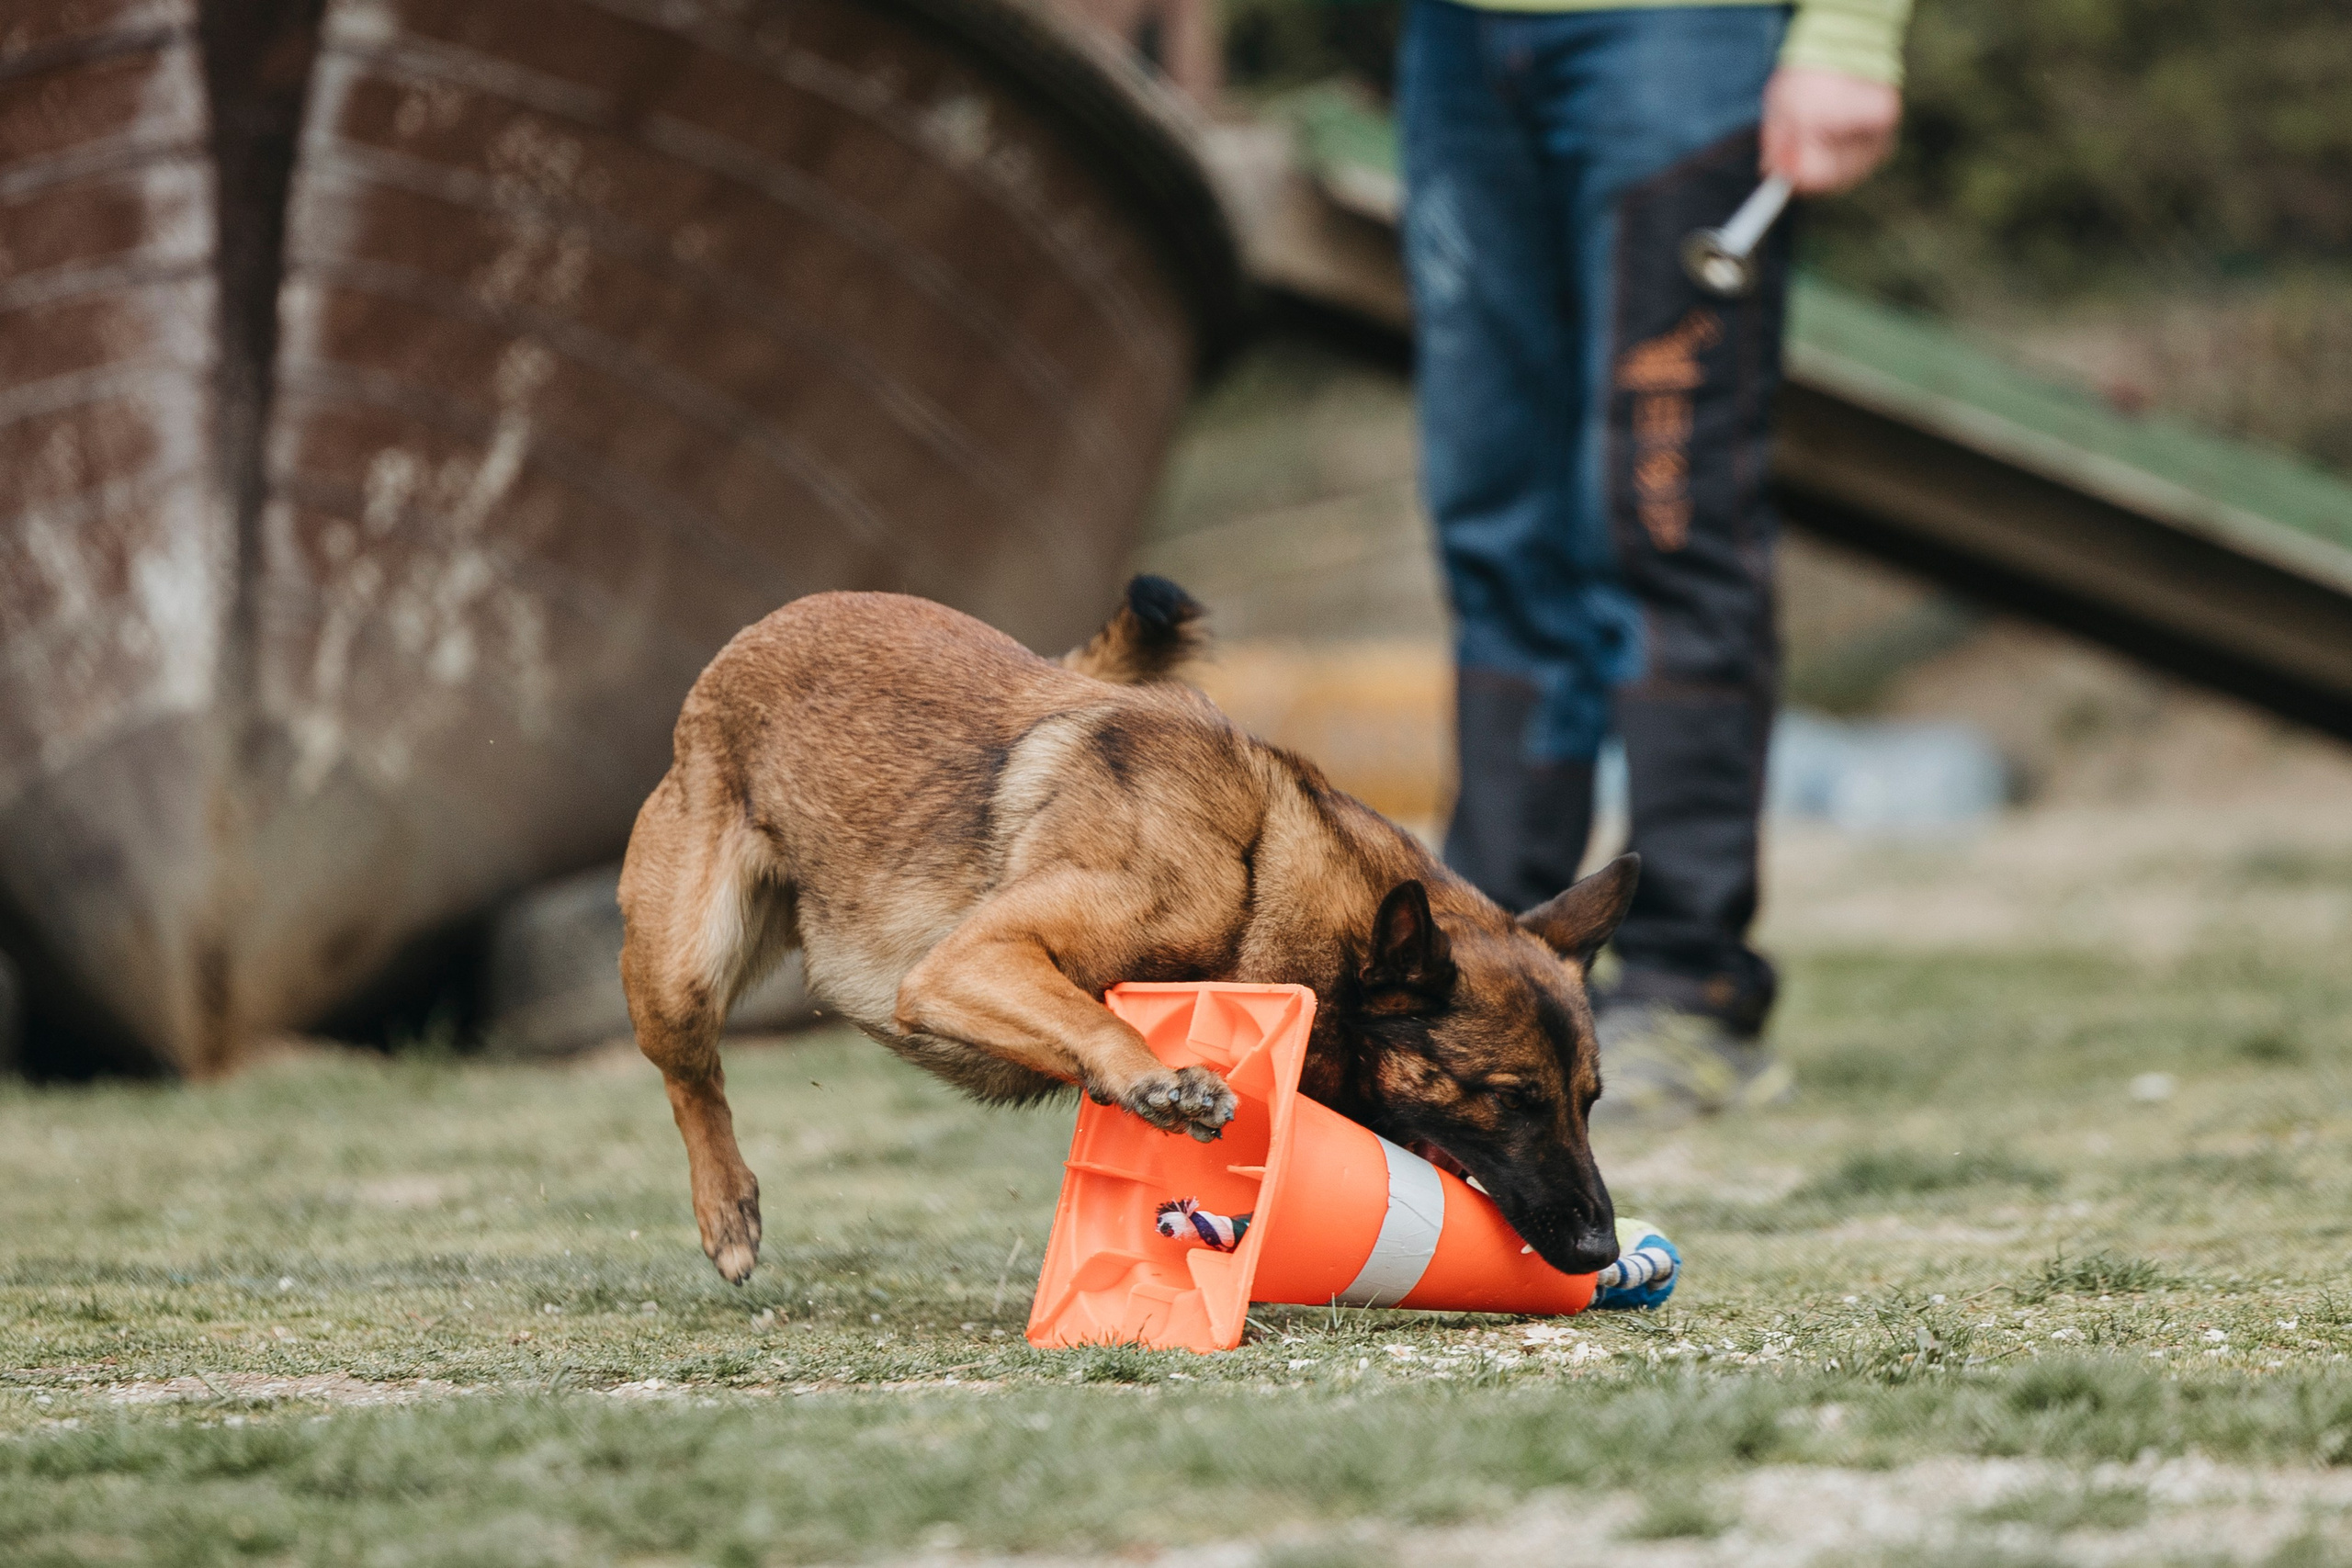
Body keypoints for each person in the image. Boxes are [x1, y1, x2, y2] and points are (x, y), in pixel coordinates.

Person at [1400, 0, 1909, 1121]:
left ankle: (1689, 985)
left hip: (1677, 38)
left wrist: (1854, 32)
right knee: (1494, 532)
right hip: (1454, 44)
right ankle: (1481, 972)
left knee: (1663, 526)